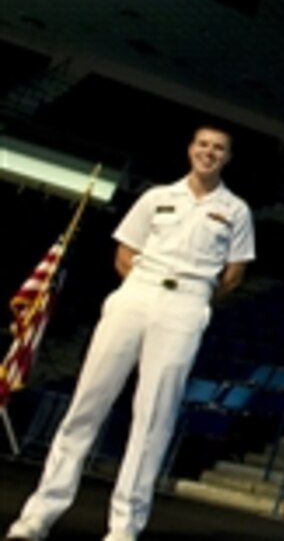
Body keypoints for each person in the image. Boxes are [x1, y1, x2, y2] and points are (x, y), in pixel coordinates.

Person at [5, 126, 256, 541]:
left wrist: (194, 298)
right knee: (87, 403)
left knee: (154, 416)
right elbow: (125, 252)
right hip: (137, 292)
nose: (209, 152)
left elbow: (234, 273)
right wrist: (141, 287)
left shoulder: (236, 210)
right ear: (190, 148)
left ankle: (124, 528)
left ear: (227, 158)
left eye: (219, 148)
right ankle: (38, 515)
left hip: (187, 304)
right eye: (203, 145)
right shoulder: (157, 197)